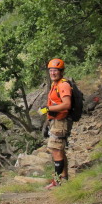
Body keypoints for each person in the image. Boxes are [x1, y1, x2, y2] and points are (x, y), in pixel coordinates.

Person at [39, 58, 72, 189]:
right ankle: (64, 178)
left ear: (61, 71)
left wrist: (48, 109)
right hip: (56, 121)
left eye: (56, 70)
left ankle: (56, 182)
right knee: (60, 150)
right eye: (51, 70)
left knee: (55, 150)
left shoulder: (63, 85)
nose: (53, 73)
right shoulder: (56, 84)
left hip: (61, 122)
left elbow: (67, 104)